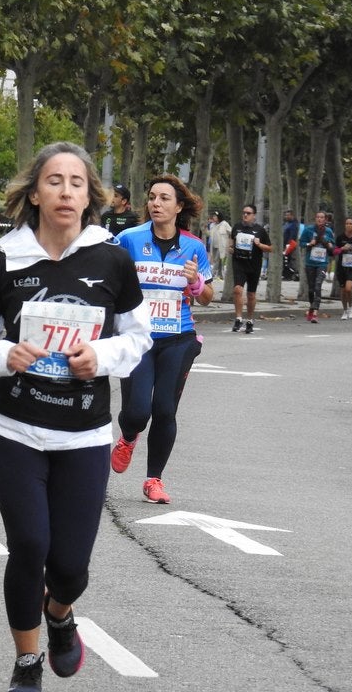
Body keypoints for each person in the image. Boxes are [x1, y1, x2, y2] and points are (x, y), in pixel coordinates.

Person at [0, 142, 151, 691]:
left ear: (91, 197)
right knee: (30, 545)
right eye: (55, 181)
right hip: (14, 428)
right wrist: (2, 354)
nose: (66, 191)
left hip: (84, 433)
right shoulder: (5, 261)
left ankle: (59, 615)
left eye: (77, 183)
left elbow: (137, 338)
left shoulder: (112, 259)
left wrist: (102, 356)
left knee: (70, 567)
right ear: (34, 193)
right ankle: (26, 663)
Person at [112, 174, 213, 504]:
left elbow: (208, 296)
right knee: (138, 412)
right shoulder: (128, 239)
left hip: (178, 338)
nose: (156, 203)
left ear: (178, 206)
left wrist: (196, 283)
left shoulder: (194, 246)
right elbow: (110, 281)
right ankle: (128, 437)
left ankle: (154, 479)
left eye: (164, 198)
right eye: (152, 197)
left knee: (165, 410)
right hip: (138, 339)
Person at [228, 204, 272, 334]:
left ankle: (250, 320)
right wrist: (230, 248)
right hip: (239, 262)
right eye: (244, 213)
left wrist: (259, 244)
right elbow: (231, 240)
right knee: (237, 289)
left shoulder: (260, 230)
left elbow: (270, 248)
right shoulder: (237, 227)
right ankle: (238, 318)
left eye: (248, 213)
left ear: (254, 215)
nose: (245, 215)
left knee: (251, 294)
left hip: (254, 264)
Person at [298, 210, 335, 323]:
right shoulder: (309, 229)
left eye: (322, 217)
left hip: (322, 263)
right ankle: (311, 307)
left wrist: (328, 244)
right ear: (315, 218)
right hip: (310, 263)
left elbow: (333, 246)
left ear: (325, 219)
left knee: (318, 285)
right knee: (311, 289)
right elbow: (301, 243)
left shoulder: (328, 231)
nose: (319, 219)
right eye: (318, 217)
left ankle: (315, 313)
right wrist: (310, 244)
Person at [208, 211, 231, 279]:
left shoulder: (224, 224)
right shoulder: (212, 225)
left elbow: (231, 231)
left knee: (217, 260)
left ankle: (211, 274)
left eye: (215, 216)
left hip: (221, 246)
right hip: (213, 246)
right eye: (213, 216)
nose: (214, 217)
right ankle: (220, 275)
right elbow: (209, 233)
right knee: (219, 260)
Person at [282, 209, 300, 280]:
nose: (286, 216)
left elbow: (292, 236)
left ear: (292, 216)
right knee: (285, 260)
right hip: (285, 244)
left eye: (288, 215)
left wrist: (288, 245)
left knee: (288, 260)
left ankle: (290, 275)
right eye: (285, 215)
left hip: (289, 244)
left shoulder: (293, 225)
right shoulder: (286, 224)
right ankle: (286, 274)